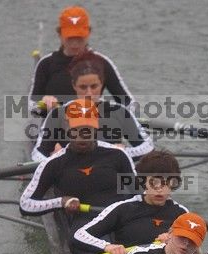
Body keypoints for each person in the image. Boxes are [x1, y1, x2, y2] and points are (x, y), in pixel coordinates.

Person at [20, 99, 136, 236]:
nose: (82, 137)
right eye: (77, 129)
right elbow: (26, 204)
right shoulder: (53, 164)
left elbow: (138, 193)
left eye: (87, 129)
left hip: (120, 219)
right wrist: (61, 202)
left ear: (97, 126)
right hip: (84, 227)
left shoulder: (118, 155)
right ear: (67, 126)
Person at [31, 57, 152, 162]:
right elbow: (37, 154)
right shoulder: (58, 114)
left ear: (102, 84)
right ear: (74, 86)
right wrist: (59, 159)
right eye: (83, 87)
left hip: (108, 170)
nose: (89, 93)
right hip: (70, 172)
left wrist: (124, 151)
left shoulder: (119, 111)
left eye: (94, 86)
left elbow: (148, 146)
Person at [29, 6, 134, 113]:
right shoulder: (46, 64)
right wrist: (43, 104)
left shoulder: (102, 62)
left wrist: (107, 110)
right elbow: (31, 105)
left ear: (89, 33)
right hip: (55, 125)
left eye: (79, 37)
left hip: (93, 125)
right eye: (70, 37)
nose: (75, 43)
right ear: (59, 34)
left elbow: (128, 102)